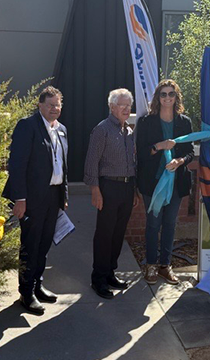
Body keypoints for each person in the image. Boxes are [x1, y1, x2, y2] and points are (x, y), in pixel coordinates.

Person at [3, 86, 69, 315]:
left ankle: (38, 285)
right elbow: (17, 165)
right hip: (31, 198)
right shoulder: (27, 126)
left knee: (44, 243)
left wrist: (64, 196)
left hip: (53, 196)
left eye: (58, 105)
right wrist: (20, 199)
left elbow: (63, 165)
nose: (54, 109)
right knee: (30, 245)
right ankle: (26, 292)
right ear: (40, 105)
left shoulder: (61, 130)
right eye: (50, 105)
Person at [135, 79, 194, 285]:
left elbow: (190, 152)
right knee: (153, 224)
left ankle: (165, 266)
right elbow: (140, 153)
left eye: (171, 94)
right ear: (157, 97)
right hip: (153, 182)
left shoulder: (184, 122)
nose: (167, 98)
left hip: (175, 182)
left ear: (176, 97)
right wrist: (158, 146)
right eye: (163, 94)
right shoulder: (146, 122)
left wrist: (180, 161)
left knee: (169, 224)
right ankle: (151, 265)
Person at [84, 88, 138, 299]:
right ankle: (98, 279)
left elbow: (133, 163)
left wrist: (133, 191)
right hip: (108, 188)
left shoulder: (129, 132)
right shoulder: (102, 130)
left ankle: (110, 273)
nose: (126, 109)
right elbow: (91, 162)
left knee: (118, 234)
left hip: (126, 188)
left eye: (129, 105)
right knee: (104, 235)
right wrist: (95, 190)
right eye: (122, 105)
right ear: (112, 107)